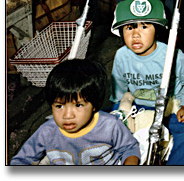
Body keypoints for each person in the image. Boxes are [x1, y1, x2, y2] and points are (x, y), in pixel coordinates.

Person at [109, 0, 184, 165]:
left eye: (144, 27)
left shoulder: (172, 55)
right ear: (121, 31)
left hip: (170, 108)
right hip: (137, 107)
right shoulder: (121, 56)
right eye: (129, 28)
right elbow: (118, 90)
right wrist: (119, 111)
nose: (136, 34)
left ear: (157, 29)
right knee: (108, 130)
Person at [10, 59, 141, 165]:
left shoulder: (110, 126)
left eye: (78, 105)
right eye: (59, 106)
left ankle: (126, 104)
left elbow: (129, 149)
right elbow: (20, 160)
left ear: (94, 105)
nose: (67, 116)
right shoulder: (47, 132)